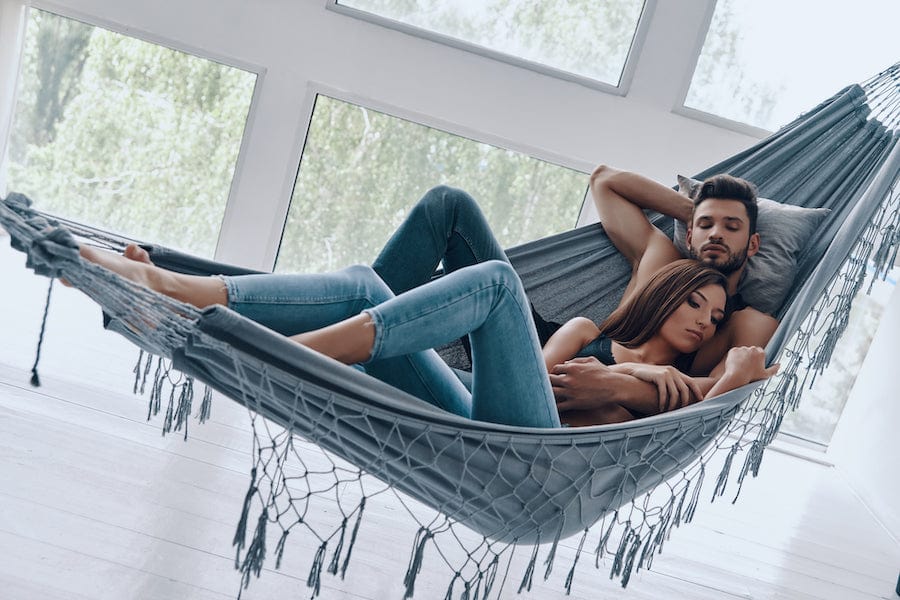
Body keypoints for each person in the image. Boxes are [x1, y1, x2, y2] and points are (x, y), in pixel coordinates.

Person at [77, 244, 776, 428]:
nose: (703, 323)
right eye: (696, 304)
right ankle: (171, 286)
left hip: (531, 450)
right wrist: (611, 381)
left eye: (713, 320)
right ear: (663, 294)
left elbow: (695, 405)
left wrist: (734, 364)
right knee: (360, 283)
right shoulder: (593, 332)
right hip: (493, 416)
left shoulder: (692, 388)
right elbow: (532, 384)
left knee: (498, 282)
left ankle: (282, 350)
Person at [368, 171, 779, 419]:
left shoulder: (741, 322)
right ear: (689, 232)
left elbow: (705, 398)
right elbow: (605, 181)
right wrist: (697, 211)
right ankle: (359, 313)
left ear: (754, 242)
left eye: (732, 226)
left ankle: (351, 325)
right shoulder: (663, 261)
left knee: (383, 360)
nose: (717, 235)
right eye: (707, 225)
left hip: (540, 397)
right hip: (538, 343)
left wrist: (618, 382)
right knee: (449, 205)